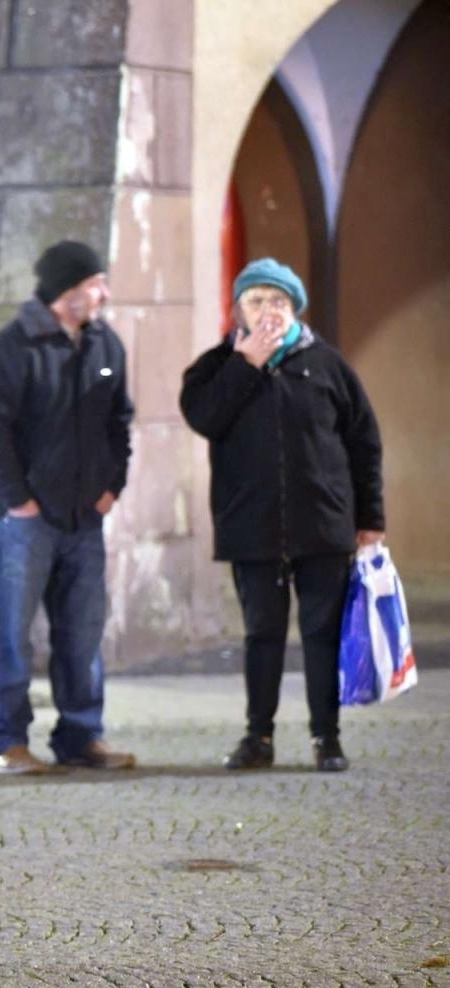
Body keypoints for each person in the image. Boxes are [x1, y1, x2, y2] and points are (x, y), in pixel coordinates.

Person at [180, 258, 384, 773]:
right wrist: (244, 365)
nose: (268, 311)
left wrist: (370, 518)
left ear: (294, 308)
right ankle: (259, 738)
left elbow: (364, 444)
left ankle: (327, 738)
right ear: (239, 310)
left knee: (321, 634)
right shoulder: (214, 367)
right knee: (261, 635)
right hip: (252, 527)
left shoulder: (329, 366)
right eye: (256, 301)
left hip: (323, 525)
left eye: (278, 301)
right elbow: (203, 418)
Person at [0, 240, 137, 775]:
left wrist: (113, 488)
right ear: (66, 291)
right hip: (27, 524)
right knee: (12, 635)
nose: (103, 293)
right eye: (94, 284)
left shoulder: (106, 345)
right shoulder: (13, 349)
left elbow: (120, 424)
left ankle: (82, 735)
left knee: (83, 633)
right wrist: (21, 501)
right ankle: (8, 742)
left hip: (87, 519)